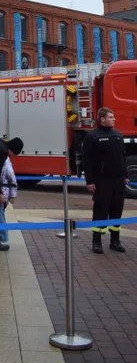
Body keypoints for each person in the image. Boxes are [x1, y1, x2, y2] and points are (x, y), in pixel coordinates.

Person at [83, 107, 127, 254]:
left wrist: (125, 175)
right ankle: (97, 241)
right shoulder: (92, 136)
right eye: (111, 117)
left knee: (117, 210)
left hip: (119, 180)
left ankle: (115, 241)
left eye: (113, 117)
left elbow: (123, 157)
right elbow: (87, 161)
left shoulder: (118, 135)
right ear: (102, 119)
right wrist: (89, 181)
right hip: (102, 181)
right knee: (100, 211)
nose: (114, 119)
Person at [0, 156, 17, 245]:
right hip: (1, 192)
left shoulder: (6, 167)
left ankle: (4, 237)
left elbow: (13, 181)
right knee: (0, 214)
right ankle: (3, 236)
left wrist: (13, 196)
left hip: (3, 193)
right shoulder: (5, 165)